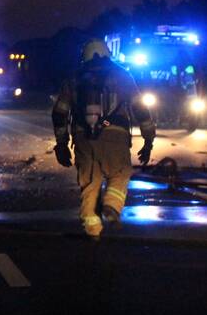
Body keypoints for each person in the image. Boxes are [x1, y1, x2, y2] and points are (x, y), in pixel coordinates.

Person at [51, 38, 156, 239]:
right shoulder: (123, 75)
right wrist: (148, 140)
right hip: (116, 136)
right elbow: (141, 110)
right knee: (120, 173)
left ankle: (92, 231)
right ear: (107, 53)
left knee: (90, 185)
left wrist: (62, 144)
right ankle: (112, 205)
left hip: (83, 139)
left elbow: (59, 113)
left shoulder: (74, 78)